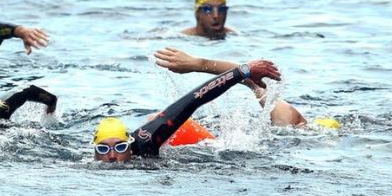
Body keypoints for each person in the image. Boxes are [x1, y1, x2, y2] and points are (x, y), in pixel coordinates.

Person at [91, 59, 281, 162]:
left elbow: (194, 99)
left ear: (130, 146)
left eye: (121, 147)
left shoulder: (145, 140)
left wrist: (243, 71)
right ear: (93, 152)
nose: (113, 157)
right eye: (103, 149)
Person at [154, 47, 312, 127]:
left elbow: (253, 82)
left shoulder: (290, 120)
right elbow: (254, 82)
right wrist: (197, 64)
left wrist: (199, 64)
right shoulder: (288, 119)